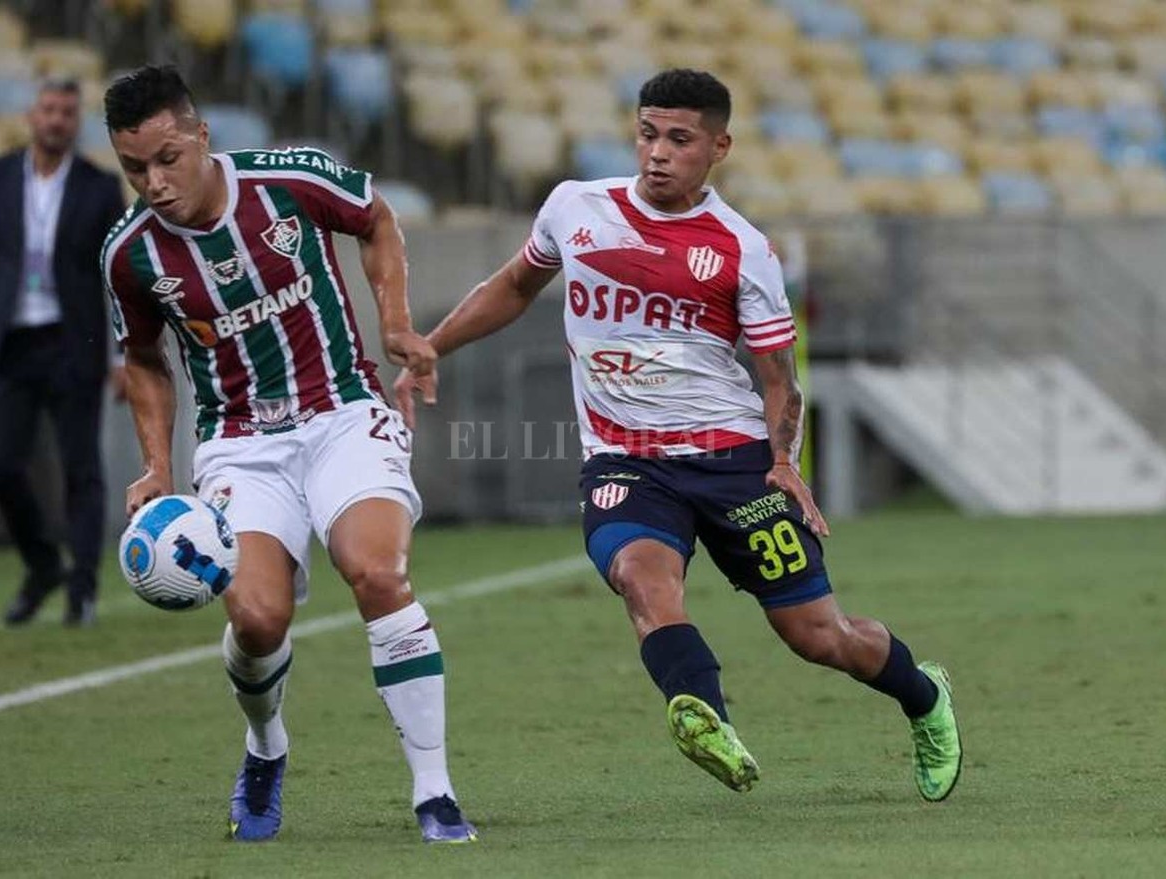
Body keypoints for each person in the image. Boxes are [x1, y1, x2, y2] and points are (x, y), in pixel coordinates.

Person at [396, 69, 963, 801]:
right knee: (640, 575)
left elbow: (777, 379)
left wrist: (783, 460)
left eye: (679, 139)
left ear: (717, 147)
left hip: (732, 461)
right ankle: (707, 720)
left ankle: (923, 696)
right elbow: (513, 285)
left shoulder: (741, 249)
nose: (656, 152)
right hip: (625, 459)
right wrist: (435, 343)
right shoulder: (575, 208)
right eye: (646, 133)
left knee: (818, 636)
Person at [99, 64, 475, 844]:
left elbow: (376, 219)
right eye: (134, 167)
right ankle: (265, 745)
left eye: (168, 157)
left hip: (342, 411)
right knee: (259, 617)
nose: (155, 182)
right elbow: (142, 358)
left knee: (377, 570)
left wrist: (398, 324)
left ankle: (434, 791)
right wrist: (159, 471)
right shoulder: (128, 254)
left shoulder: (289, 179)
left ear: (201, 136)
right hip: (240, 443)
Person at [0, 79, 127, 627]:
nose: (56, 121)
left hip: (75, 344)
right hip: (12, 342)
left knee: (81, 471)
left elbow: (116, 280)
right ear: (31, 114)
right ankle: (45, 565)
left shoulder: (98, 188)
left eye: (67, 113)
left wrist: (122, 355)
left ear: (77, 122)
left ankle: (84, 590)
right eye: (48, 110)